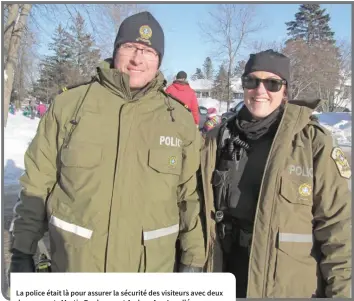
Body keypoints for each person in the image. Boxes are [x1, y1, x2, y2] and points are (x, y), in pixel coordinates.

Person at [8, 11, 205, 275]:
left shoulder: (178, 119)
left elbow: (188, 195)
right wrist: (22, 249)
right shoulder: (70, 107)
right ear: (115, 51)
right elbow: (37, 182)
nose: (137, 58)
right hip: (76, 269)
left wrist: (193, 259)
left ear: (159, 60)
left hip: (149, 276)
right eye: (130, 47)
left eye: (148, 51)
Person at [199, 50, 351, 297]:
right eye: (252, 81)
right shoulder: (219, 138)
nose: (260, 90)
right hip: (225, 272)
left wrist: (340, 293)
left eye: (272, 83)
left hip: (283, 284)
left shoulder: (312, 142)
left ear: (285, 92)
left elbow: (336, 228)